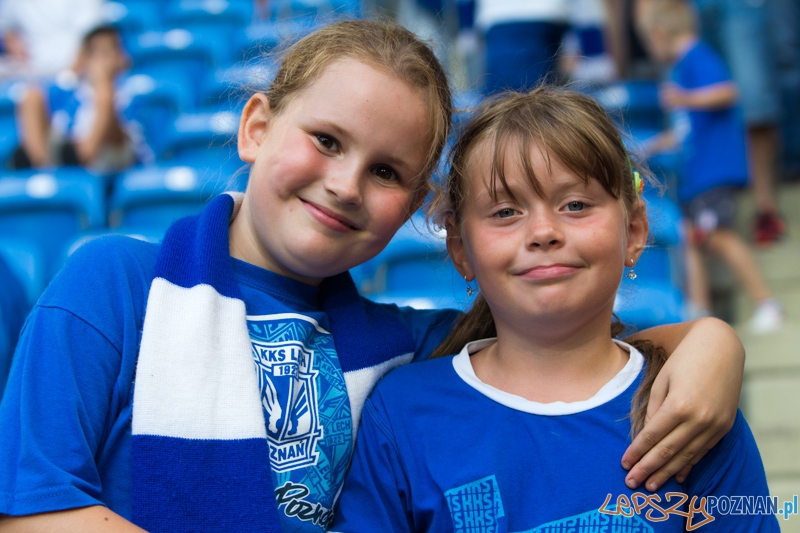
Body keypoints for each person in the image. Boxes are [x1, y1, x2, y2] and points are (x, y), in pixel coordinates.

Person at [0, 19, 747, 533]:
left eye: (386, 170)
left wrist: (712, 342)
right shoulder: (113, 285)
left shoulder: (402, 348)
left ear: (417, 208)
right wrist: (710, 339)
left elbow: (562, 348)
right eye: (325, 140)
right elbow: (36, 508)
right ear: (256, 126)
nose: (346, 183)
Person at [332, 86, 778, 532]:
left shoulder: (688, 408)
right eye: (506, 212)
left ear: (636, 230)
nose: (543, 232)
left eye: (576, 205)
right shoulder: (401, 412)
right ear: (460, 248)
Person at [636, 0, 783, 334]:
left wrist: (684, 99)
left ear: (659, 35)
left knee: (718, 237)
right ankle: (697, 312)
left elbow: (728, 92)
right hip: (699, 174)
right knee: (692, 237)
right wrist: (655, 144)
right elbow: (687, 128)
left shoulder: (695, 57)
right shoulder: (684, 68)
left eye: (650, 43)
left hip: (714, 172)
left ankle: (766, 303)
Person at [9, 24, 138, 173]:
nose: (103, 61)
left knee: (104, 96)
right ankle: (44, 172)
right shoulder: (73, 93)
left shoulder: (131, 90)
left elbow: (126, 141)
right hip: (66, 152)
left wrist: (103, 85)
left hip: (112, 161)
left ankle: (73, 166)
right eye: (98, 53)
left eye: (109, 52)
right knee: (31, 96)